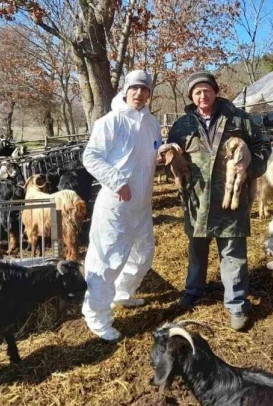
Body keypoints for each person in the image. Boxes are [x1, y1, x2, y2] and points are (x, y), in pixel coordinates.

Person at [165, 71, 271, 331]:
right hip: (197, 199)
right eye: (197, 92)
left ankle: (236, 303)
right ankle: (194, 291)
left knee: (233, 252)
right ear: (191, 96)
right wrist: (172, 162)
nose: (203, 95)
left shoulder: (239, 119)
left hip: (230, 197)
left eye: (207, 90)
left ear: (215, 91)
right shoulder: (182, 125)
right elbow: (170, 156)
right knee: (196, 250)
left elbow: (263, 145)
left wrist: (250, 167)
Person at [81, 70, 162, 342]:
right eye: (134, 88)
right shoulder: (110, 121)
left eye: (144, 89)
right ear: (125, 90)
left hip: (142, 205)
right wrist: (117, 181)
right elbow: (91, 157)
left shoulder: (151, 123)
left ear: (149, 93)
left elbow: (152, 153)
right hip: (116, 205)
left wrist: (165, 152)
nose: (139, 93)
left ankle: (123, 293)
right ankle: (96, 317)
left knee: (143, 254)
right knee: (107, 260)